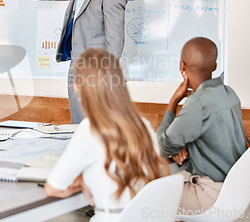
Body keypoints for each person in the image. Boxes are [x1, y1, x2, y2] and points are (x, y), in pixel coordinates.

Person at [14, 0, 127, 124]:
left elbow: (115, 40)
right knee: (79, 124)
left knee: (94, 128)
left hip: (95, 72)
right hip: (77, 63)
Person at [44, 48, 169, 220]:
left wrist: (80, 183)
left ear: (79, 87)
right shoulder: (143, 126)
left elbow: (53, 187)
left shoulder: (90, 129)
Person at [156, 37, 247, 213]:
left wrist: (173, 101)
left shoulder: (198, 102)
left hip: (210, 196)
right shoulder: (229, 94)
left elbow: (161, 146)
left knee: (144, 196)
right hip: (234, 190)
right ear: (214, 66)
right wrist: (180, 146)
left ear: (182, 66)